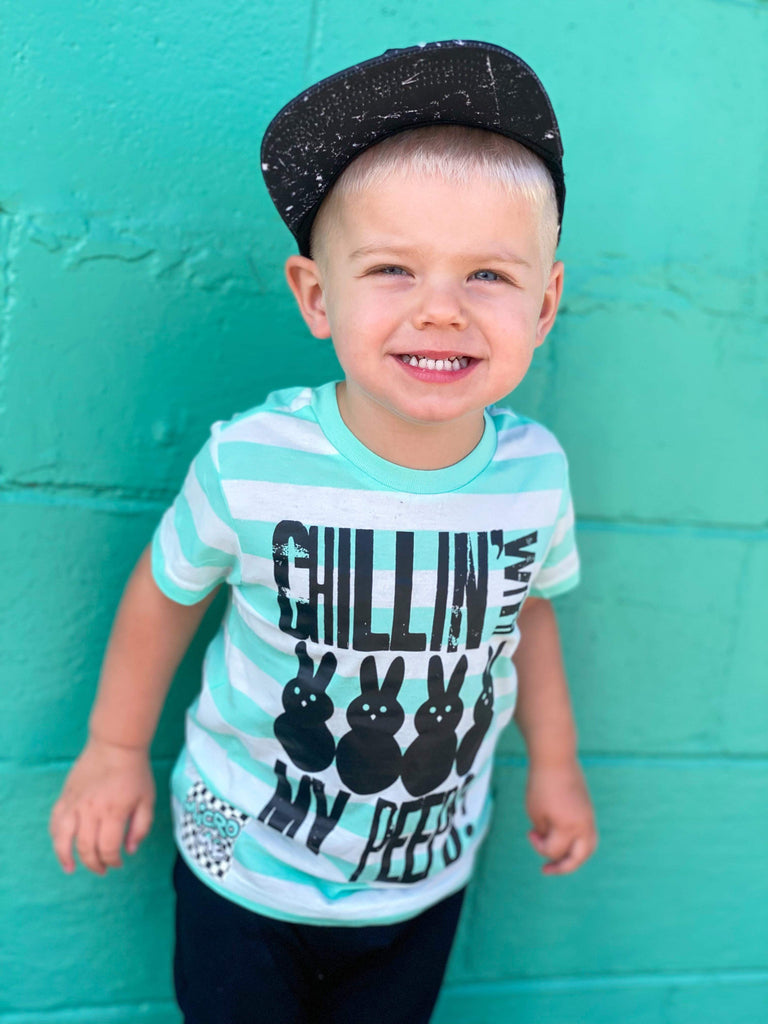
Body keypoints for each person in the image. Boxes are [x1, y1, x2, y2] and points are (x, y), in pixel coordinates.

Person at [50, 40, 597, 1024]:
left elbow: (531, 618)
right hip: (244, 868)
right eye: (393, 269)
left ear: (545, 303)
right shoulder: (252, 462)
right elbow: (164, 593)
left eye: (487, 274)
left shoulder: (535, 475)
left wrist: (555, 764)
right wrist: (113, 747)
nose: (441, 310)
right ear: (315, 296)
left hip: (422, 878)